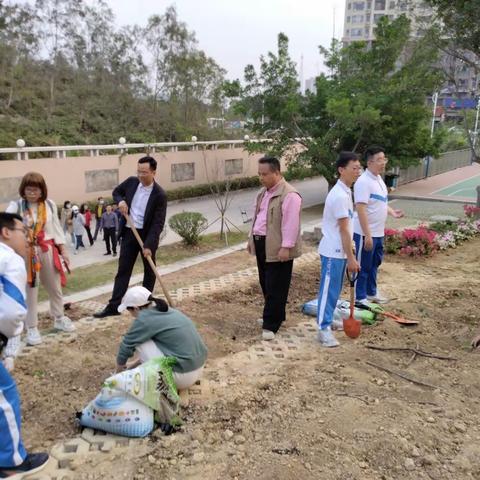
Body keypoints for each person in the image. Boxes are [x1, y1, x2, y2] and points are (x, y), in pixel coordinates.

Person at [0, 212, 50, 478]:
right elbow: (12, 312)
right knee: (4, 396)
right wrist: (7, 346)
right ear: (6, 232)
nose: (26, 235)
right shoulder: (8, 257)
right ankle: (11, 463)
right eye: (23, 230)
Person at [6, 172, 75, 347]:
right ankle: (31, 327)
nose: (32, 192)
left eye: (36, 189)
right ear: (24, 189)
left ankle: (59, 317)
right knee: (31, 291)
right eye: (29, 188)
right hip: (26, 252)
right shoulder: (17, 206)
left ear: (41, 190)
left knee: (55, 287)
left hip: (47, 250)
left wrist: (64, 251)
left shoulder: (49, 205)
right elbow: (6, 228)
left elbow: (57, 229)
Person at [94, 156, 167, 318]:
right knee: (123, 270)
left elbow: (158, 223)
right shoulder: (132, 182)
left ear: (153, 172)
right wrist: (120, 202)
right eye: (139, 171)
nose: (141, 175)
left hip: (147, 236)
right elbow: (117, 192)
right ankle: (114, 306)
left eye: (145, 172)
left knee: (149, 271)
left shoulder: (159, 195)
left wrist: (149, 245)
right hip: (129, 232)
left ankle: (146, 304)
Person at [247, 156, 302, 341]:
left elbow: (291, 224)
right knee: (265, 282)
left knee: (276, 285)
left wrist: (286, 247)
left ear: (277, 173)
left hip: (278, 246)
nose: (261, 178)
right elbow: (258, 218)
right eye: (259, 174)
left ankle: (270, 324)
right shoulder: (263, 193)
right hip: (262, 242)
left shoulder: (290, 195)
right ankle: (275, 315)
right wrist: (251, 240)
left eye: (265, 174)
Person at [115, 286, 207, 390]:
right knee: (145, 336)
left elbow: (126, 346)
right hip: (198, 368)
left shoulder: (144, 319)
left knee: (138, 340)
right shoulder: (168, 310)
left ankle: (162, 384)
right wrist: (132, 365)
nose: (131, 315)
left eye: (129, 310)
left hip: (181, 377)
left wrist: (117, 375)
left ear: (136, 308)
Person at [317, 152, 361, 348]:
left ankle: (328, 319)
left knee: (334, 290)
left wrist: (349, 253)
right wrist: (351, 258)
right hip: (333, 252)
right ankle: (323, 328)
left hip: (340, 251)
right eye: (354, 168)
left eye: (359, 168)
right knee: (327, 290)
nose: (358, 172)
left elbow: (346, 228)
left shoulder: (345, 192)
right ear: (341, 170)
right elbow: (343, 229)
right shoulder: (339, 195)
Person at [353, 146, 404, 305]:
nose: (383, 163)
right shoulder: (363, 182)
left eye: (384, 159)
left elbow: (380, 203)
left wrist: (392, 212)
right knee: (363, 266)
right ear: (369, 162)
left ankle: (371, 292)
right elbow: (360, 209)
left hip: (378, 232)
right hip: (364, 233)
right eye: (379, 160)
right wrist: (367, 235)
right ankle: (360, 298)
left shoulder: (379, 179)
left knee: (375, 263)